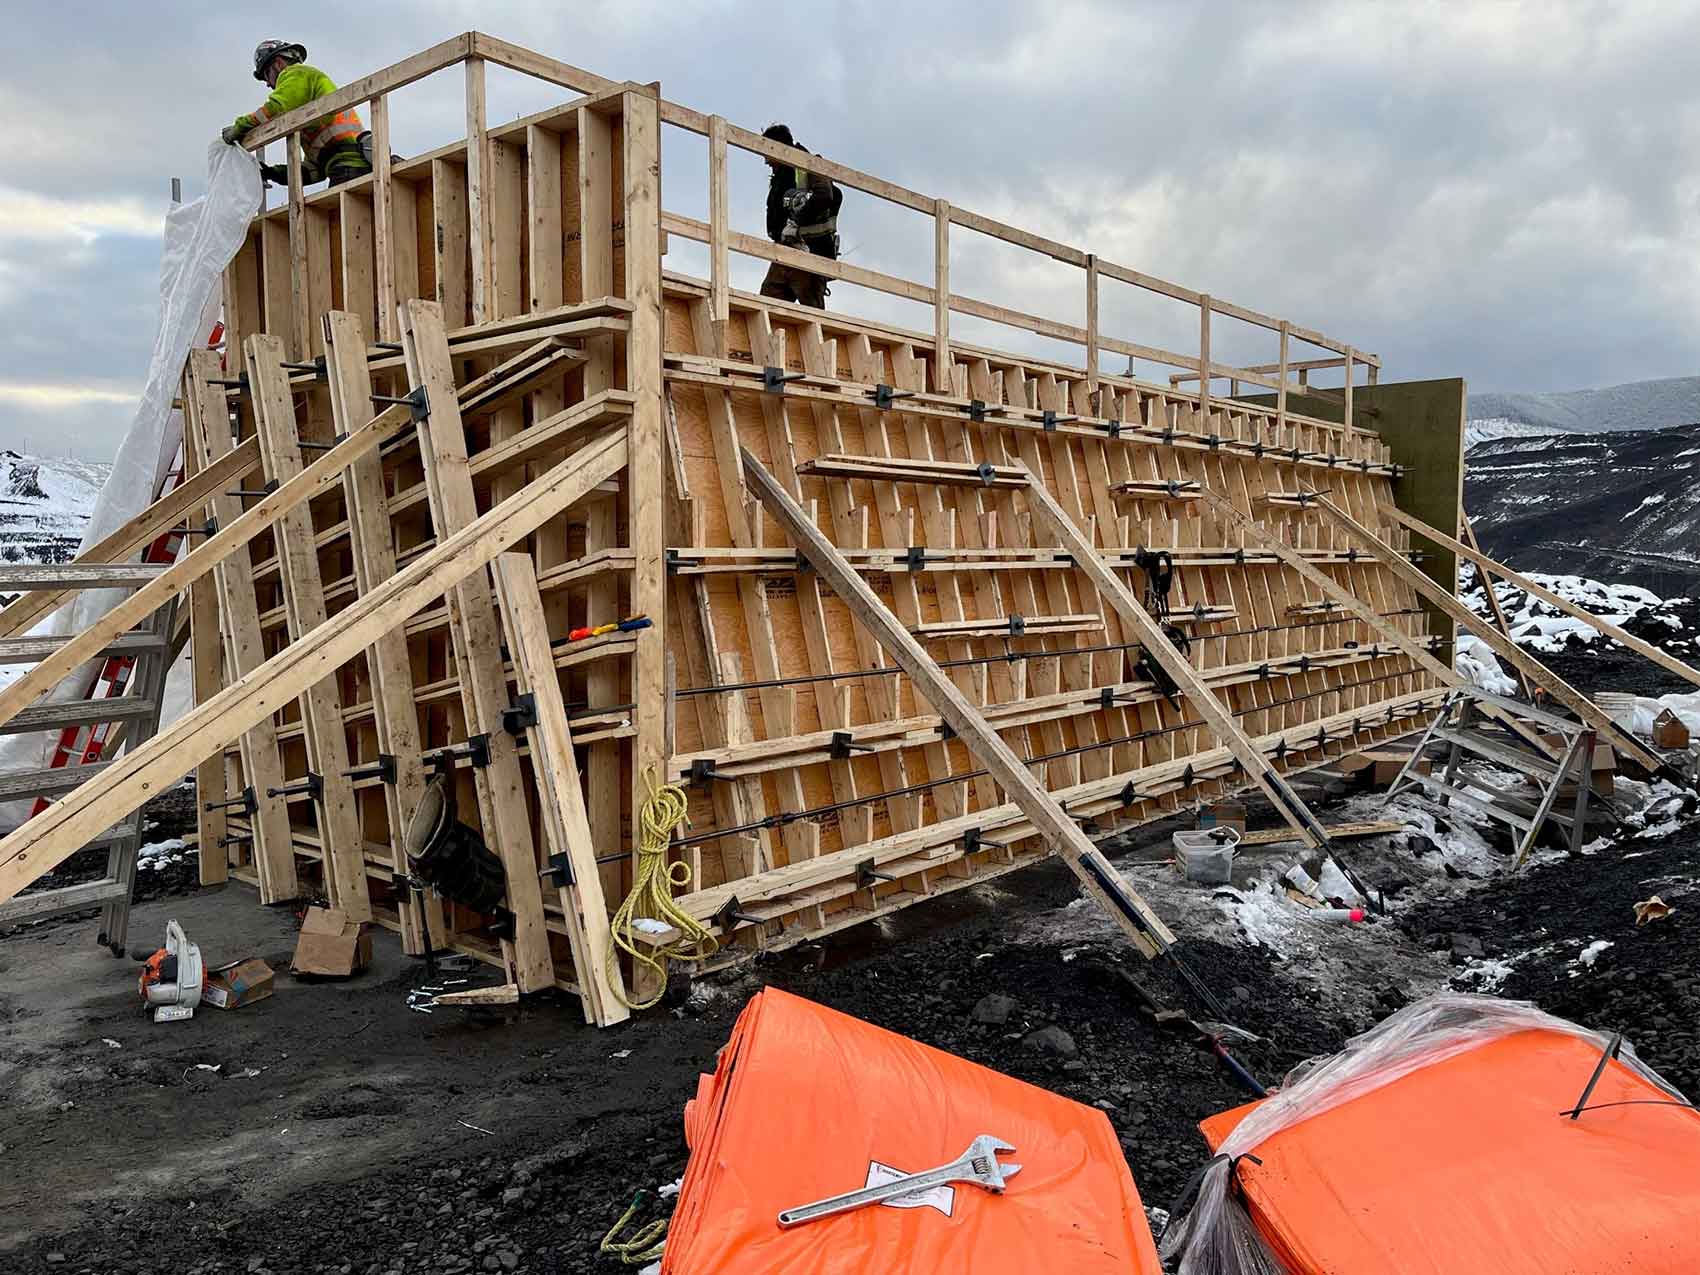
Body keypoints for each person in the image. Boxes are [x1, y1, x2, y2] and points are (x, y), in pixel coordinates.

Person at [221, 40, 373, 188]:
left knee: (341, 212)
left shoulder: (296, 73)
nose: (268, 84)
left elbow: (275, 108)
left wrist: (239, 128)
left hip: (350, 166)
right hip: (349, 167)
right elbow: (313, 172)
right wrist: (272, 173)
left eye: (267, 74)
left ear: (279, 63)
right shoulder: (306, 116)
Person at [759, 124, 842, 309]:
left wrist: (796, 223)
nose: (766, 161)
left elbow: (824, 195)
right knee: (766, 308)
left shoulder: (807, 163)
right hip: (784, 252)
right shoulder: (783, 173)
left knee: (813, 316)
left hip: (807, 252)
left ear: (778, 147)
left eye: (767, 154)